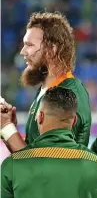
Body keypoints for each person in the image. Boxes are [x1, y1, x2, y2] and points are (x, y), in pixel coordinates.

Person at [0, 11, 91, 152]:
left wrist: (6, 126)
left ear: (51, 50)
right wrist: (10, 127)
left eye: (29, 45)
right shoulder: (46, 90)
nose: (23, 51)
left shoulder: (70, 93)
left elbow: (47, 164)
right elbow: (32, 154)